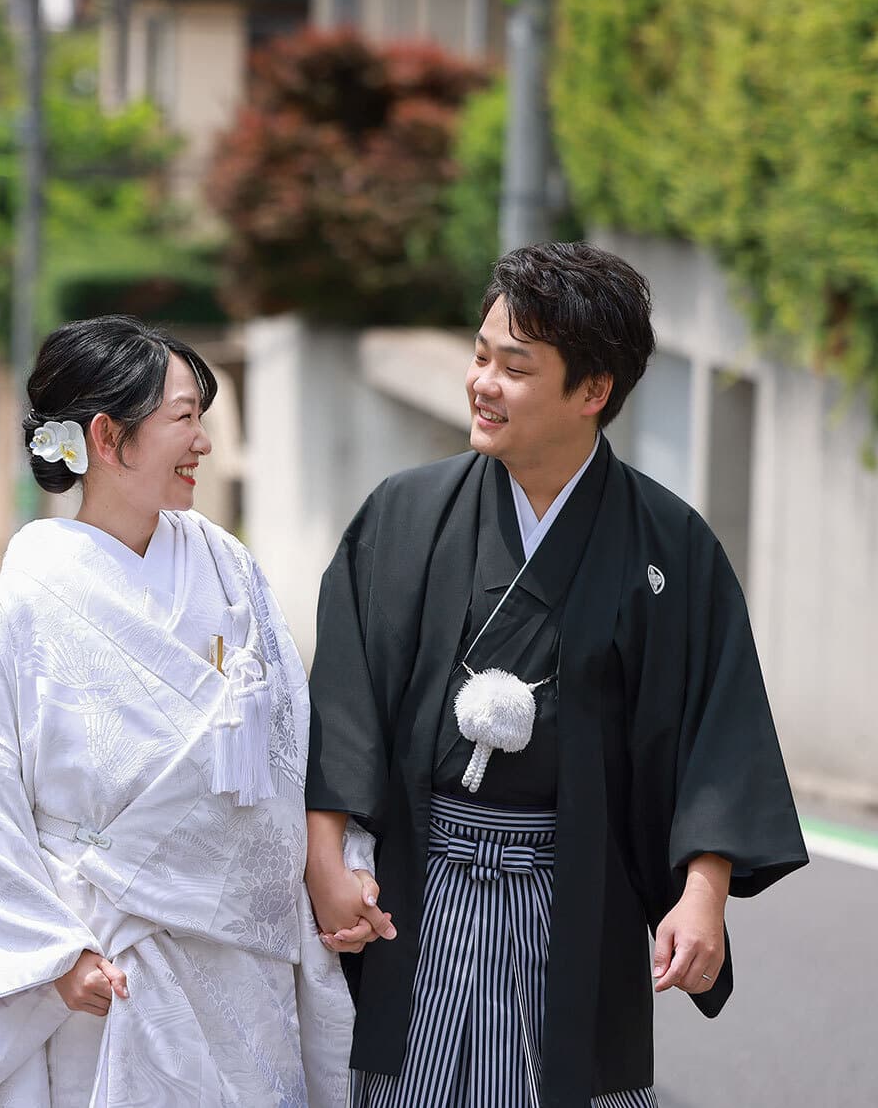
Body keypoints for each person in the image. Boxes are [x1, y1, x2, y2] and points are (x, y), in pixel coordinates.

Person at [303, 243, 808, 1107]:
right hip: (416, 890)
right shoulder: (407, 513)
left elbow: (717, 733)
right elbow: (343, 703)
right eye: (480, 355)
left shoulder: (669, 546)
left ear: (592, 392)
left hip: (572, 894)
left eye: (514, 367)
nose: (481, 382)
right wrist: (324, 860)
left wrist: (704, 892)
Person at [0, 314, 357, 1108]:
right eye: (185, 417)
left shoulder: (228, 568)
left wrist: (337, 867)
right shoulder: (31, 596)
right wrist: (52, 955)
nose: (204, 443)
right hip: (104, 960)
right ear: (108, 436)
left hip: (239, 961)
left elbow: (296, 734)